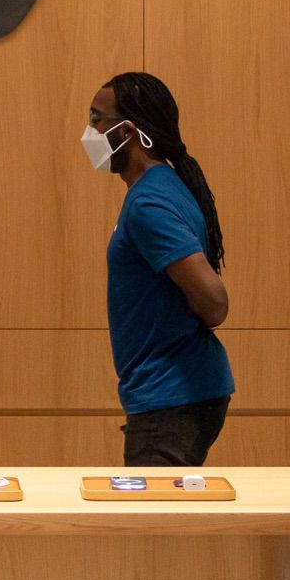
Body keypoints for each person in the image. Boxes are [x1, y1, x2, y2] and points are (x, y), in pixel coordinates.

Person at [82, 72, 232, 465]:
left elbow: (215, 302)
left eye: (97, 119)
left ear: (128, 131)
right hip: (173, 393)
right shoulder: (160, 187)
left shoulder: (149, 203)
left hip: (172, 396)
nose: (90, 131)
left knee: (156, 523)